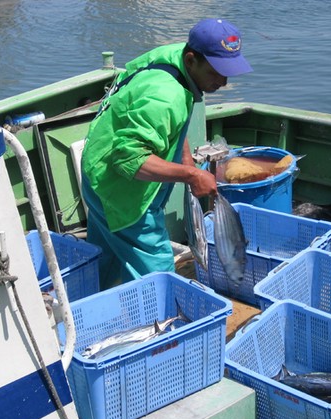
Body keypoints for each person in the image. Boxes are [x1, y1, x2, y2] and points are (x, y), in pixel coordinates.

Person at [80, 18, 252, 289]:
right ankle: (157, 326)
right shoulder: (165, 96)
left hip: (96, 166)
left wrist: (185, 159)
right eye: (216, 72)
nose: (224, 81)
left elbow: (169, 126)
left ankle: (87, 306)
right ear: (192, 58)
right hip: (119, 189)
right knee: (157, 272)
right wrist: (192, 174)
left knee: (107, 258)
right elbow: (128, 160)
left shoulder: (174, 60)